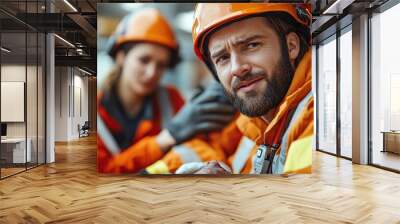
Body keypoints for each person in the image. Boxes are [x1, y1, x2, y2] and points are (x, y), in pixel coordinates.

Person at [179, 3, 313, 174]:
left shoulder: (316, 116)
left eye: (251, 45)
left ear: (291, 46)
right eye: (223, 58)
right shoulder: (255, 125)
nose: (237, 68)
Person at [97, 8, 235, 173]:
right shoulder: (94, 111)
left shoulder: (170, 98)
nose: (152, 73)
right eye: (144, 60)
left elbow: (196, 150)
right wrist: (166, 138)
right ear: (121, 57)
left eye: (161, 65)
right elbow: (103, 172)